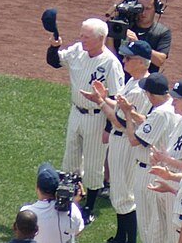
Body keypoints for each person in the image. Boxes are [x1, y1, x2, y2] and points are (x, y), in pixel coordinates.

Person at [47, 18, 125, 224]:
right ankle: (68, 199)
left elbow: (117, 99)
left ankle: (89, 206)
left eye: (86, 37)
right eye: (81, 35)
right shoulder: (77, 51)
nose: (82, 39)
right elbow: (55, 61)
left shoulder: (111, 64)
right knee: (70, 156)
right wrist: (53, 47)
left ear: (101, 38)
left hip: (97, 117)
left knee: (93, 162)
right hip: (76, 111)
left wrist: (109, 127)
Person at [80, 41, 151, 243]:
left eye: (129, 58)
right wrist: (104, 98)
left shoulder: (141, 89)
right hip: (119, 142)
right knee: (118, 194)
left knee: (124, 196)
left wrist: (101, 102)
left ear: (141, 62)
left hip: (126, 143)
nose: (124, 61)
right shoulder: (135, 81)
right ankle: (121, 239)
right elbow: (120, 109)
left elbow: (120, 121)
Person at [117, 72, 181, 243]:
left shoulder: (161, 113)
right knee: (155, 224)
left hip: (149, 172)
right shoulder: (170, 107)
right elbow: (149, 124)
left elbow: (135, 139)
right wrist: (133, 113)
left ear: (150, 95)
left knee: (151, 224)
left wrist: (126, 114)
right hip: (155, 170)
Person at [106, 0, 172, 73]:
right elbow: (109, 55)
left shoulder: (162, 32)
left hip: (143, 82)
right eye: (140, 8)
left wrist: (138, 44)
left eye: (148, 9)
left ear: (156, 9)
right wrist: (110, 33)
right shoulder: (123, 26)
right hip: (119, 76)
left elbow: (160, 61)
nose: (143, 13)